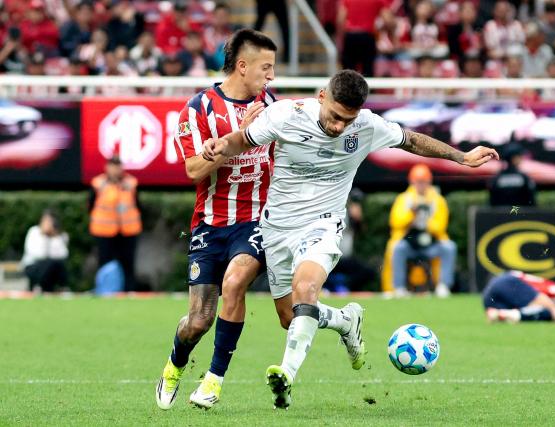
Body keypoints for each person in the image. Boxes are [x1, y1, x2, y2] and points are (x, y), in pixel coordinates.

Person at [207, 69, 498, 409]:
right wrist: (222, 144)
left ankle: (286, 374)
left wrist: (461, 157)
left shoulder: (367, 125)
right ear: (321, 96)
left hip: (324, 224)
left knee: (306, 290)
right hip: (277, 228)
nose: (339, 127)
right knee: (290, 317)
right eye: (334, 117)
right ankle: (346, 320)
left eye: (347, 120)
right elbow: (243, 139)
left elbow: (412, 140)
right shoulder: (286, 115)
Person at [155, 29, 278, 411]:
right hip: (210, 225)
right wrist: (237, 137)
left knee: (236, 281)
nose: (271, 76)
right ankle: (175, 365)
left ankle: (213, 380)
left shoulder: (271, 102)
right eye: (266, 67)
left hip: (257, 219)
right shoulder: (197, 110)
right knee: (198, 320)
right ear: (243, 66)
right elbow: (194, 169)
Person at [383, 164, 457, 298]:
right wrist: (412, 214)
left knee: (449, 247)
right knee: (396, 248)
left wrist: (425, 218)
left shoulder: (437, 200)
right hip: (409, 242)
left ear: (429, 181)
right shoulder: (403, 199)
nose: (421, 184)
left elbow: (440, 226)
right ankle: (398, 288)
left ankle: (443, 285)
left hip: (430, 243)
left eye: (424, 181)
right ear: (412, 181)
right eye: (418, 181)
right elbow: (395, 222)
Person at [89, 156, 142, 292]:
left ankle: (129, 291)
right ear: (106, 167)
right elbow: (90, 206)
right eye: (112, 166)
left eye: (118, 166)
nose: (115, 170)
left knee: (127, 264)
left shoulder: (131, 183)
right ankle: (104, 291)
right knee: (104, 263)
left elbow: (138, 205)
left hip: (128, 231)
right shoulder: (98, 183)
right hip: (104, 231)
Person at [483, 270, 555, 323]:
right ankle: (503, 314)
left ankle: (499, 314)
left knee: (541, 311)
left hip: (490, 297)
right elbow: (541, 297)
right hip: (509, 282)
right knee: (546, 313)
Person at [21, 209, 68, 293]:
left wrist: (54, 237)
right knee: (47, 263)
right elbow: (35, 254)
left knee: (56, 264)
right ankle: (38, 286)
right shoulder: (34, 231)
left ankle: (62, 287)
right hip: (33, 266)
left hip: (52, 267)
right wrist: (45, 237)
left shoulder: (59, 235)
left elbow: (63, 254)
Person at [488, 142, 536, 207]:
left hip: (500, 216)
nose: (521, 158)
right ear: (514, 158)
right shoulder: (524, 178)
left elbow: (492, 204)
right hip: (521, 216)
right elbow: (532, 203)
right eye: (519, 155)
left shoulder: (496, 179)